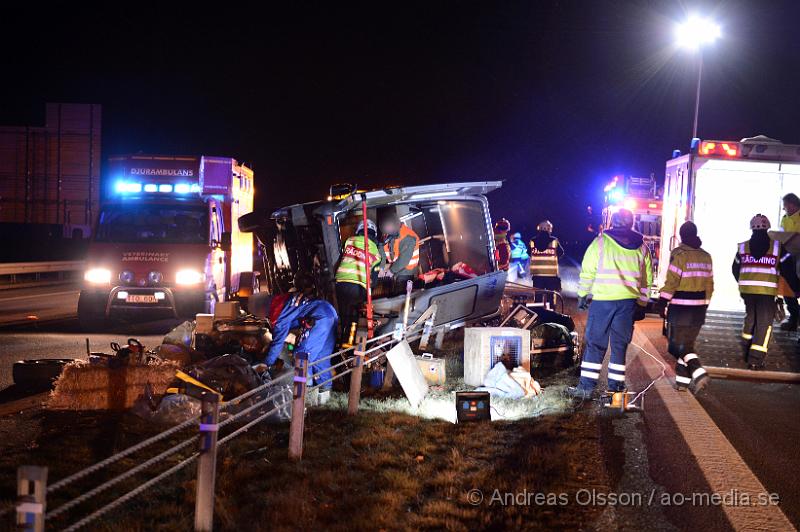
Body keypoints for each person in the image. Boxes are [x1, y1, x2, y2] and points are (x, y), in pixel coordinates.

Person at [570, 208, 652, 398]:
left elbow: (588, 270)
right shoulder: (642, 247)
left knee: (595, 344)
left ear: (612, 222)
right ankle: (615, 388)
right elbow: (647, 279)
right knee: (619, 345)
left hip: (603, 302)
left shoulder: (600, 242)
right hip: (627, 304)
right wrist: (642, 303)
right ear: (631, 223)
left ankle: (586, 389)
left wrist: (582, 295)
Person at [658, 222, 712, 394]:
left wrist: (662, 300)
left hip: (681, 308)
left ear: (681, 236)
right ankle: (682, 383)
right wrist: (705, 303)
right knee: (687, 344)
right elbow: (710, 284)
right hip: (698, 308)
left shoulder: (679, 254)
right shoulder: (706, 256)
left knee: (676, 346)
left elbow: (672, 281)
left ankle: (698, 370)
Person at [264, 272, 338, 396]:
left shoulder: (278, 317)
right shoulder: (284, 300)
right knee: (321, 358)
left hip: (318, 318)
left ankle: (304, 396)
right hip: (330, 312)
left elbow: (277, 343)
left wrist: (266, 364)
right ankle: (325, 397)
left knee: (302, 356)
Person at [732, 214, 788, 370]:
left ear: (752, 228)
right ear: (767, 227)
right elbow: (787, 269)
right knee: (764, 324)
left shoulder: (743, 247)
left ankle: (746, 348)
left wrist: (743, 282)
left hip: (747, 292)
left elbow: (735, 268)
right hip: (767, 292)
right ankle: (755, 360)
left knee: (751, 318)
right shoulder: (777, 247)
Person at [335, 219, 381, 341]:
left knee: (343, 314)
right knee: (354, 317)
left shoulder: (349, 241)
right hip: (357, 286)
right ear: (374, 233)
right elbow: (374, 280)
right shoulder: (375, 252)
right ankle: (349, 343)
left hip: (340, 283)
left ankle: (340, 338)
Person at [378, 213, 420, 292]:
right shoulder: (388, 233)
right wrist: (381, 267)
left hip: (406, 272)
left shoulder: (408, 237)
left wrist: (391, 271)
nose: (387, 229)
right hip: (395, 268)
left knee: (400, 295)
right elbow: (382, 248)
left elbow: (403, 260)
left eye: (389, 226)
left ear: (396, 224)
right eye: (386, 227)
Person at [529, 220, 564, 306]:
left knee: (538, 298)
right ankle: (550, 315)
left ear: (539, 229)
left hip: (537, 275)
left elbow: (528, 253)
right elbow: (561, 253)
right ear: (549, 229)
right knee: (551, 298)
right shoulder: (554, 241)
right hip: (551, 276)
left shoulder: (532, 241)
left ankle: (539, 315)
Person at [779, 193, 800, 331]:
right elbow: (781, 234)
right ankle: (794, 316)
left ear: (793, 204)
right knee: (786, 286)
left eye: (786, 206)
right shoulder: (784, 219)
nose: (785, 209)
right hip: (788, 257)